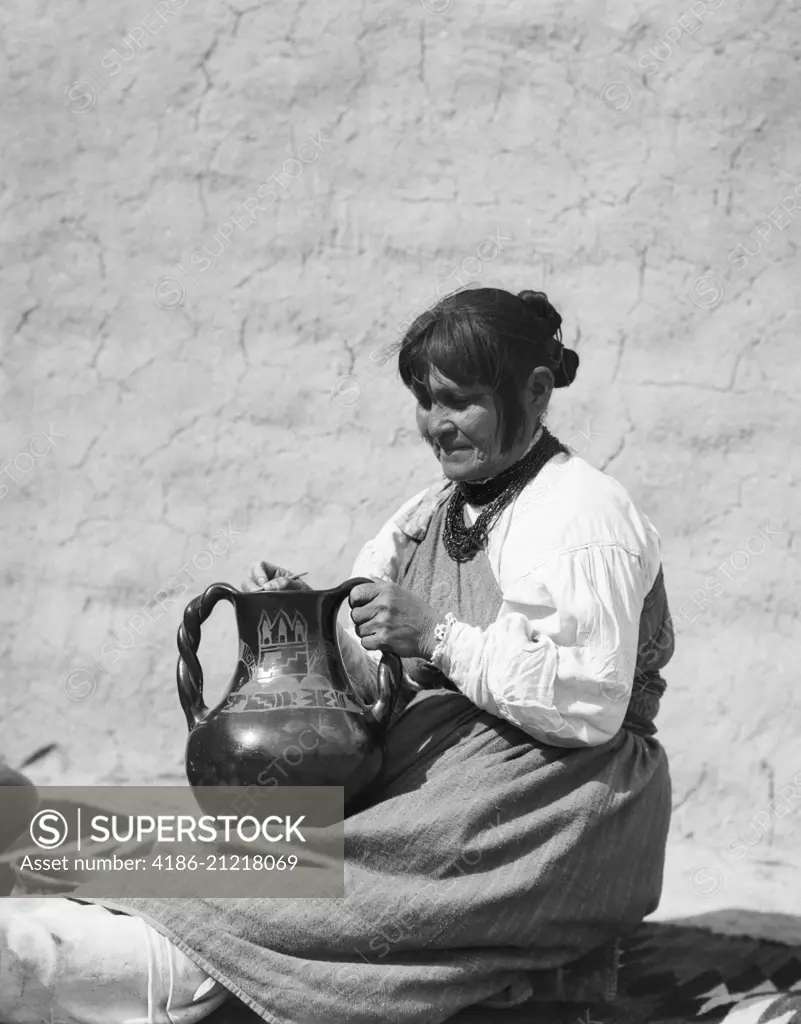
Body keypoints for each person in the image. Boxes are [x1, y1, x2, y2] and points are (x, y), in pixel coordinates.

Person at [0, 287, 674, 1024]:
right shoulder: (429, 512)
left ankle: (95, 968)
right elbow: (371, 672)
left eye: (458, 401)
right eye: (423, 401)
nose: (435, 424)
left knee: (309, 878)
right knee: (252, 842)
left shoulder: (581, 515)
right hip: (435, 769)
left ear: (536, 391)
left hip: (550, 803)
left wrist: (437, 635)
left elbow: (586, 705)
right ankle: (67, 897)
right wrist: (306, 626)